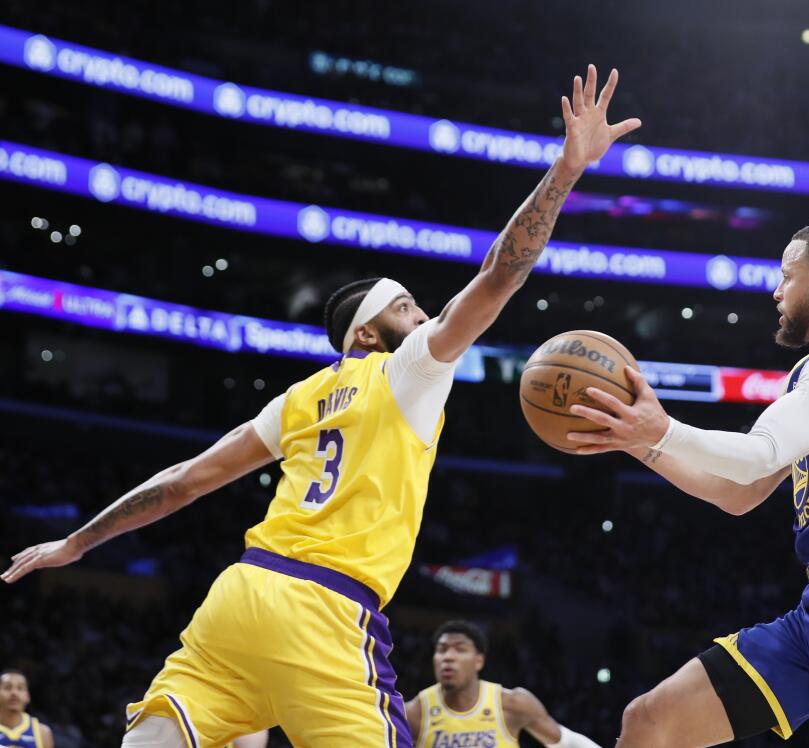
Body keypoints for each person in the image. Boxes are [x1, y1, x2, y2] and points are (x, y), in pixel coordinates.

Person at [1, 64, 639, 747]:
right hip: (326, 611)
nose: (423, 315)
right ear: (367, 332)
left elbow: (185, 481)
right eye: (406, 306)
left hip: (240, 599)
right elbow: (500, 273)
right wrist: (567, 170)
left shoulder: (297, 400)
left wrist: (78, 542)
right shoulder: (409, 370)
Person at [569, 219, 809, 747]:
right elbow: (738, 493)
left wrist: (664, 427)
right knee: (651, 721)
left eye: (787, 275)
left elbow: (756, 457)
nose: (776, 290)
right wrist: (639, 442)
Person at [404, 621, 599, 748]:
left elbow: (567, 742)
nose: (448, 657)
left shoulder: (511, 702)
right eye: (442, 650)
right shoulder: (415, 711)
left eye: (460, 650)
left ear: (479, 661)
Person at [0, 671, 53, 748]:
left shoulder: (43, 732)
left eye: (20, 688)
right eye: (8, 687)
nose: (14, 693)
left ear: (27, 696)